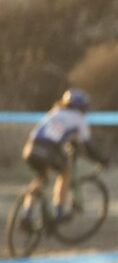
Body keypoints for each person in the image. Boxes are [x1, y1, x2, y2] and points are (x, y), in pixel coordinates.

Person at [21, 88, 109, 222]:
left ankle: (26, 214)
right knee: (65, 173)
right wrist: (101, 160)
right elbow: (87, 146)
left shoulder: (55, 112)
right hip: (48, 149)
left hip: (30, 147)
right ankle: (59, 210)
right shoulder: (79, 119)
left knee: (41, 179)